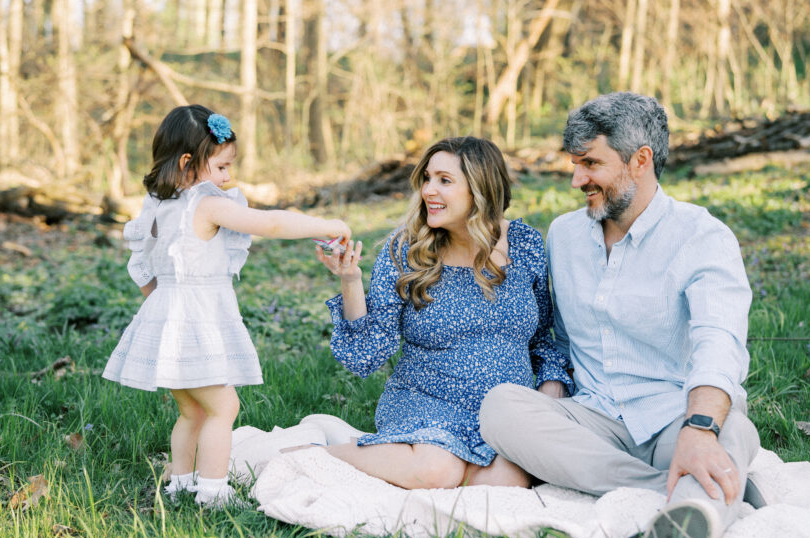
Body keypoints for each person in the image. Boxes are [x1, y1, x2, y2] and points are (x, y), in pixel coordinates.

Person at [478, 92, 762, 538]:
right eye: (574, 164)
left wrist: (698, 429)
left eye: (590, 164)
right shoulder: (565, 235)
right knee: (500, 407)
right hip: (593, 418)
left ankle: (690, 509)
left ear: (641, 160)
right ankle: (677, 492)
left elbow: (721, 343)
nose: (576, 180)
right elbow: (558, 338)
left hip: (670, 415)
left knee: (733, 429)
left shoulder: (701, 236)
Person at [103, 104, 350, 508]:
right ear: (189, 163)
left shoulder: (160, 207)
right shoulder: (206, 203)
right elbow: (269, 224)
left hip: (174, 326)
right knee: (224, 407)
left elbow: (144, 268)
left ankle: (181, 485)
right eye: (221, 167)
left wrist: (166, 314)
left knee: (192, 414)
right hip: (196, 327)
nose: (227, 178)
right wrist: (326, 226)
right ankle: (214, 494)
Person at [311, 136, 574, 489]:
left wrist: (548, 398)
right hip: (427, 402)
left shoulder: (525, 244)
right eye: (427, 178)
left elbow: (542, 339)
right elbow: (367, 354)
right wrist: (350, 280)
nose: (428, 191)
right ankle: (316, 457)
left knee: (504, 486)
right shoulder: (407, 249)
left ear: (480, 189)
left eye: (444, 181)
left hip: (505, 414)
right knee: (436, 470)